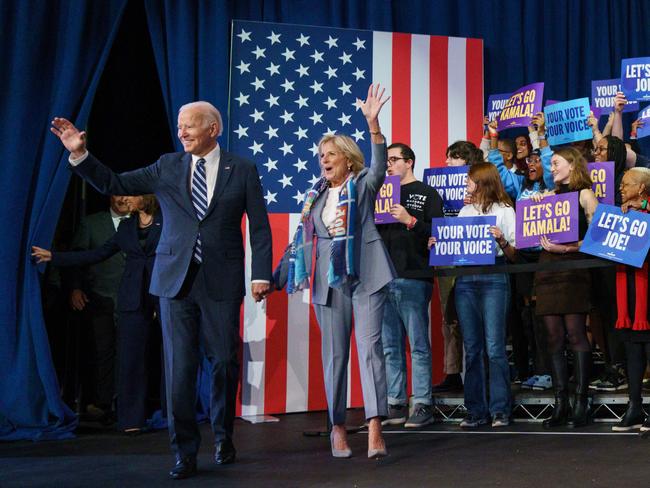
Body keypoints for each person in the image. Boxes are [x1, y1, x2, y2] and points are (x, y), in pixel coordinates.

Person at [50, 101, 273, 480]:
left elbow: (260, 227)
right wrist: (80, 154)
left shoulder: (244, 169)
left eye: (190, 126)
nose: (181, 132)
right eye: (180, 125)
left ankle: (223, 435)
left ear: (213, 129)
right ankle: (183, 451)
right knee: (180, 368)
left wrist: (261, 274)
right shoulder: (167, 165)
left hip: (221, 278)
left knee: (222, 361)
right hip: (174, 280)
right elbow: (115, 183)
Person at [272, 84, 393, 458]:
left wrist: (373, 125)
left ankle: (374, 426)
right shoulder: (315, 198)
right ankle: (337, 427)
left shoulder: (363, 185)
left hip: (368, 274)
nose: (324, 159)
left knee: (370, 349)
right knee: (335, 355)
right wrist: (271, 280)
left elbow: (378, 164)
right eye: (321, 154)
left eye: (331, 154)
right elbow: (298, 247)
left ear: (348, 159)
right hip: (328, 282)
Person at [33, 195, 164, 434]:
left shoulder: (167, 221)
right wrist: (54, 257)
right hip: (131, 298)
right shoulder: (127, 227)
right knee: (128, 359)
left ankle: (170, 411)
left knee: (166, 357)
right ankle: (131, 420)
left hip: (163, 296)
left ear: (146, 197)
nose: (126, 199)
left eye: (131, 195)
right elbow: (97, 254)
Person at [430, 163, 516, 428]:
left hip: (494, 277)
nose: (465, 184)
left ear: (482, 182)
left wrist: (501, 240)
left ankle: (501, 409)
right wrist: (439, 243)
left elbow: (515, 254)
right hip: (466, 279)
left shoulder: (505, 211)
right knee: (473, 347)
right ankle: (476, 410)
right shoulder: (466, 210)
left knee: (494, 347)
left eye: (469, 180)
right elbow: (456, 248)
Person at [378, 142, 444, 427]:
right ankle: (395, 403)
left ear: (409, 162)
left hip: (414, 276)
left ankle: (422, 403)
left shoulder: (427, 194)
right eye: (387, 160)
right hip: (383, 277)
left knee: (418, 345)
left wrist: (410, 220)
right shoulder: (380, 193)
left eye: (394, 159)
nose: (389, 164)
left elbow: (440, 232)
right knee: (390, 346)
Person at [534, 147, 599, 429]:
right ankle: (560, 402)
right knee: (553, 337)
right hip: (547, 270)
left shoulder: (585, 194)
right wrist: (534, 208)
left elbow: (598, 237)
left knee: (575, 334)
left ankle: (581, 402)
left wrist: (568, 248)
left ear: (572, 165)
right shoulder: (548, 197)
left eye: (556, 163)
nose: (552, 168)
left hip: (572, 268)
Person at [67, 195, 130, 421]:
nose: (122, 199)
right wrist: (75, 288)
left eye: (126, 194)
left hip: (131, 300)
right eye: (117, 194)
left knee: (129, 352)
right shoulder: (92, 223)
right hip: (100, 297)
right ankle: (103, 402)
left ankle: (126, 403)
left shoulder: (142, 222)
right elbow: (78, 258)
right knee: (102, 351)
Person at [430, 140, 483, 394]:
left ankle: (478, 373)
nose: (447, 163)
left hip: (474, 254)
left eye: (453, 158)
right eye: (447, 157)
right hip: (446, 253)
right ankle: (453, 372)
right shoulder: (437, 187)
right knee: (448, 315)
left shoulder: (480, 184)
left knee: (474, 315)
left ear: (467, 161)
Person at [612, 167, 650, 431]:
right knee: (633, 353)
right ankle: (634, 407)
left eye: (626, 184)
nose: (621, 189)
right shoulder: (619, 214)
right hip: (627, 292)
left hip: (648, 288)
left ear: (642, 188)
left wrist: (645, 206)